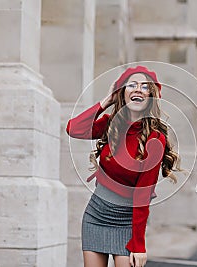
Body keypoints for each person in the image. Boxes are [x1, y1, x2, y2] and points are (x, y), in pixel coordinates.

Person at [66, 66, 180, 267]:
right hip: (96, 215)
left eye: (145, 87)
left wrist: (138, 245)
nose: (138, 89)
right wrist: (106, 101)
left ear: (151, 96)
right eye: (132, 85)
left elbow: (142, 195)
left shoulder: (155, 139)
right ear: (123, 93)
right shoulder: (111, 124)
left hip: (127, 222)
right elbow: (73, 128)